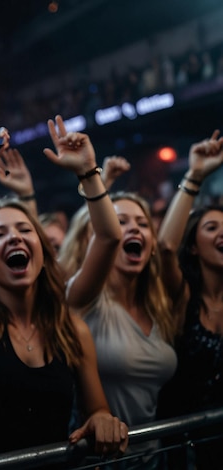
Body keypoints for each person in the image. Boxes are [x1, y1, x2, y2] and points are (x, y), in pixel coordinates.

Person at [0, 120, 128, 460]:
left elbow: (97, 408)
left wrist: (88, 171)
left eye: (25, 230)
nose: (14, 237)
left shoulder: (69, 327)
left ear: (42, 253)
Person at [62, 190, 177, 469]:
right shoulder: (83, 299)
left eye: (142, 222)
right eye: (121, 221)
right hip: (96, 461)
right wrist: (90, 175)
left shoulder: (159, 306)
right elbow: (107, 236)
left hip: (152, 458)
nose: (134, 227)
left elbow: (170, 246)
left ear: (151, 244)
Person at [156, 130, 223, 470]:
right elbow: (166, 247)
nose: (222, 233)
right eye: (211, 228)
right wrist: (194, 176)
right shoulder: (185, 297)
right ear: (194, 246)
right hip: (187, 450)